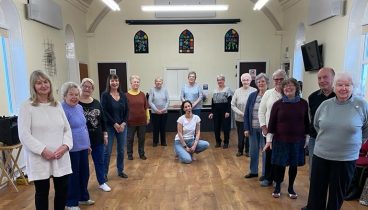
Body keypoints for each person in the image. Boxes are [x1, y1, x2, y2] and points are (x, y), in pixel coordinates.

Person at [302, 73, 368, 210]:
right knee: (316, 193)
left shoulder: (361, 105)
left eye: (347, 85)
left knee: (337, 195)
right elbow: (316, 125)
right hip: (321, 155)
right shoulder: (325, 105)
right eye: (339, 85)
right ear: (334, 86)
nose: (343, 88)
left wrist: (355, 144)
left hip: (346, 158)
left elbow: (366, 129)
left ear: (353, 87)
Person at [18, 70, 73, 210]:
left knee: (62, 192)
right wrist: (43, 150)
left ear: (50, 83)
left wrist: (65, 146)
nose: (43, 85)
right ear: (33, 86)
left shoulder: (57, 105)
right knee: (42, 193)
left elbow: (67, 129)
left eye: (45, 81)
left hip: (61, 155)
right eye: (38, 83)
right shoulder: (27, 106)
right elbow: (24, 134)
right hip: (40, 157)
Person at [263, 78, 310, 199]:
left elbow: (306, 122)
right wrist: (269, 140)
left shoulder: (303, 103)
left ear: (296, 88)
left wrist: (307, 138)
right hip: (280, 140)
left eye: (291, 86)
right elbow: (272, 123)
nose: (288, 88)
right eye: (286, 86)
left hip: (297, 140)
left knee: (293, 166)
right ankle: (278, 186)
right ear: (283, 89)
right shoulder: (278, 104)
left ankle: (291, 188)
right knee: (280, 165)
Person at [61, 82, 94, 209]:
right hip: (71, 148)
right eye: (71, 94)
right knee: (73, 176)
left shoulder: (79, 107)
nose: (74, 97)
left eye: (76, 94)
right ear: (65, 95)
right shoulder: (62, 109)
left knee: (84, 174)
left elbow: (84, 126)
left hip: (83, 146)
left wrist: (88, 144)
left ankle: (83, 197)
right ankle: (71, 202)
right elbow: (62, 130)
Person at [79, 78, 111, 192]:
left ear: (93, 89)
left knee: (100, 161)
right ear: (81, 87)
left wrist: (105, 134)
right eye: (85, 86)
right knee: (83, 165)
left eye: (90, 87)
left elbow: (103, 120)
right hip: (81, 140)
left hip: (97, 138)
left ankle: (102, 182)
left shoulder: (96, 102)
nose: (87, 88)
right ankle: (82, 187)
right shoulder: (76, 102)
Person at [258, 69, 287, 186]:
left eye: (281, 79)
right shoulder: (268, 93)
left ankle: (278, 179)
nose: (279, 81)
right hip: (270, 132)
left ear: (285, 79)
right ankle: (269, 178)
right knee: (270, 155)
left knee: (281, 156)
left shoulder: (290, 93)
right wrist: (263, 127)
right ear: (273, 80)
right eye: (276, 79)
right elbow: (261, 111)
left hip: (284, 132)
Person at [307, 67, 335, 175]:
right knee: (314, 173)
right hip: (316, 140)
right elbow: (311, 119)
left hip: (335, 142)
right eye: (319, 78)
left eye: (325, 77)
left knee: (332, 173)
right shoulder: (312, 97)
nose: (322, 81)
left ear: (333, 78)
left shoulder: (340, 96)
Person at [100, 74, 129, 179]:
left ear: (119, 82)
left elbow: (127, 111)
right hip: (110, 127)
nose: (114, 83)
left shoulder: (123, 95)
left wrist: (124, 123)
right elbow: (104, 112)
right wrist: (114, 124)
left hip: (122, 126)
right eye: (112, 81)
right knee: (107, 151)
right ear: (109, 82)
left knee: (121, 150)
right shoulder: (105, 95)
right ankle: (104, 173)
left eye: (116, 81)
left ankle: (120, 170)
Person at [243, 73, 269, 179]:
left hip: (265, 130)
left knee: (265, 152)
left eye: (263, 81)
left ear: (267, 82)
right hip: (253, 128)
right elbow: (246, 112)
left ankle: (265, 173)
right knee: (253, 151)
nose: (260, 83)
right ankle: (253, 171)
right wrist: (246, 128)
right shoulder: (252, 95)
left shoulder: (270, 94)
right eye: (258, 81)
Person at [231, 73, 257, 157]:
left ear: (250, 80)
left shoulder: (254, 91)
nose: (245, 81)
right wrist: (241, 113)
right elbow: (232, 105)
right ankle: (240, 150)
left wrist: (248, 114)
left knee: (249, 135)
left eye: (247, 80)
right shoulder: (237, 91)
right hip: (239, 118)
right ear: (241, 81)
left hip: (250, 118)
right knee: (240, 135)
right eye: (244, 80)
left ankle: (248, 151)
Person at [126, 75, 150, 160]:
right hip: (130, 121)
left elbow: (146, 107)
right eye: (134, 82)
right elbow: (124, 109)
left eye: (137, 82)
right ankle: (129, 154)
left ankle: (141, 153)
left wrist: (148, 118)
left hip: (142, 121)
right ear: (131, 83)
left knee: (142, 139)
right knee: (130, 139)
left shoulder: (142, 94)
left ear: (139, 83)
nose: (136, 83)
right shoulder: (126, 95)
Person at [208, 74, 233, 149]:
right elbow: (213, 102)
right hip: (216, 111)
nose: (219, 81)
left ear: (224, 81)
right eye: (218, 80)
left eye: (221, 80)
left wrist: (228, 111)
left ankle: (226, 142)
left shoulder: (228, 89)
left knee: (226, 128)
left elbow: (230, 102)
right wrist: (212, 112)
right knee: (216, 127)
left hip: (225, 111)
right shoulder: (214, 90)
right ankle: (218, 142)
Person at [148, 77, 169, 147]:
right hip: (155, 113)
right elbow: (150, 101)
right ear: (155, 82)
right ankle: (155, 142)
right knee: (155, 128)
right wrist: (156, 110)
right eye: (157, 81)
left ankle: (163, 142)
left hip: (164, 112)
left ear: (162, 82)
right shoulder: (152, 90)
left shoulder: (165, 90)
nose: (158, 82)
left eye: (160, 81)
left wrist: (164, 109)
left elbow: (168, 100)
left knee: (163, 128)